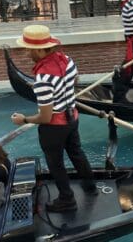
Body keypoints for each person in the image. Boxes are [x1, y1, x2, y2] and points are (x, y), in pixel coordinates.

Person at [11, 24, 97, 213]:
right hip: (72, 117)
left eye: (30, 49)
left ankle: (67, 200)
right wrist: (59, 91)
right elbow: (74, 80)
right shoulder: (67, 60)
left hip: (55, 128)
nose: (27, 53)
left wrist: (24, 120)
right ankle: (91, 187)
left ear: (41, 49)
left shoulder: (42, 79)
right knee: (77, 152)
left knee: (55, 163)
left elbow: (45, 116)